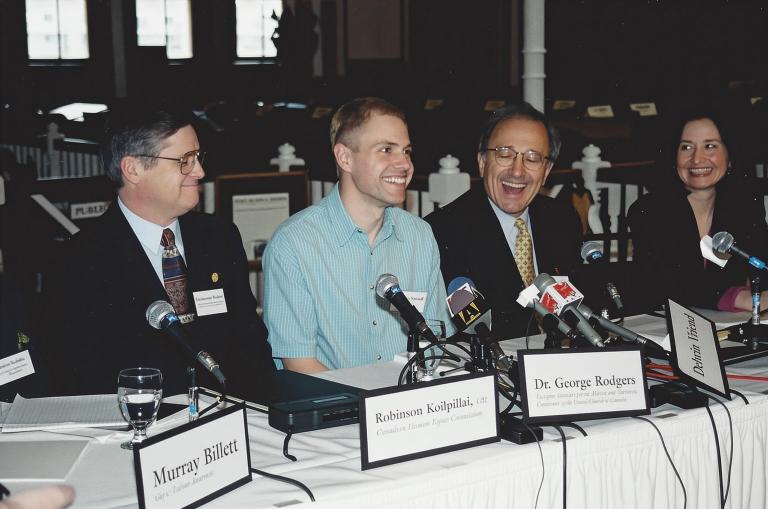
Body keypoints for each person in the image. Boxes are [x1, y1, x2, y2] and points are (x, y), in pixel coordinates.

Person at [42, 107, 275, 398]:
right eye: (184, 161)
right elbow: (80, 376)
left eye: (198, 158)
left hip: (231, 417)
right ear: (133, 169)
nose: (200, 172)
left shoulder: (219, 237)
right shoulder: (79, 261)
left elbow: (251, 343)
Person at [263, 97, 452, 373]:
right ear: (345, 158)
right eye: (386, 150)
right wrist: (373, 408)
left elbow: (434, 342)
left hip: (412, 407)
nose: (404, 164)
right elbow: (299, 363)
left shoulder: (419, 237)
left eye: (407, 151)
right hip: (337, 411)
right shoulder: (294, 244)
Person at [425, 102, 582, 340]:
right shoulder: (444, 231)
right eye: (505, 154)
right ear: (481, 162)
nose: (517, 171)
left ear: (546, 170)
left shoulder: (562, 219)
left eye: (532, 158)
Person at [627, 107, 768, 312]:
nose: (697, 159)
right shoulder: (649, 211)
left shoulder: (744, 207)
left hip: (725, 326)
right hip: (661, 327)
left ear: (729, 156)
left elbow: (761, 265)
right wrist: (737, 297)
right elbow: (668, 288)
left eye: (710, 146)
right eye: (686, 147)